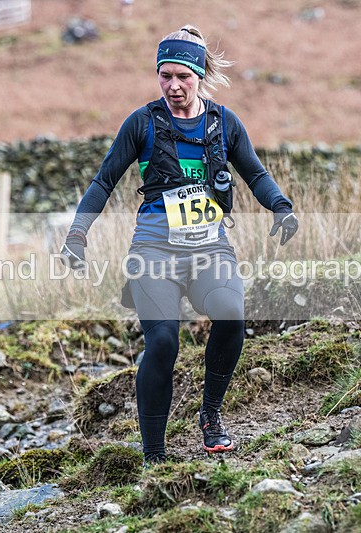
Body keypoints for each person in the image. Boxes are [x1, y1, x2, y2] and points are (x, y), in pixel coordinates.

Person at [60, 25, 299, 464]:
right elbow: (103, 181)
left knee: (231, 315)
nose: (173, 86)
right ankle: (154, 454)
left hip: (210, 247)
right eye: (164, 76)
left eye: (182, 77)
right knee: (164, 342)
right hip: (154, 250)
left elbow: (256, 175)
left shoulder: (225, 124)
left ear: (200, 74)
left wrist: (281, 207)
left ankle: (210, 417)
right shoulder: (143, 123)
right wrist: (77, 233)